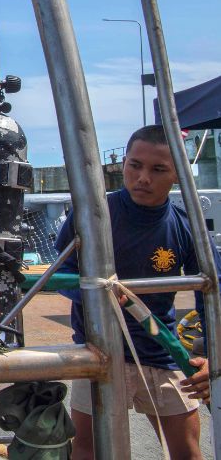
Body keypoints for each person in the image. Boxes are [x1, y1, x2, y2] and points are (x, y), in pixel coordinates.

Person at [56, 125, 221, 460]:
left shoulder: (185, 226)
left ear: (177, 174)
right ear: (124, 165)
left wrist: (215, 360)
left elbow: (212, 291)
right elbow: (60, 273)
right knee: (88, 450)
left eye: (158, 169)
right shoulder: (91, 216)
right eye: (135, 165)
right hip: (98, 353)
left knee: (188, 453)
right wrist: (92, 293)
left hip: (163, 352)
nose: (143, 177)